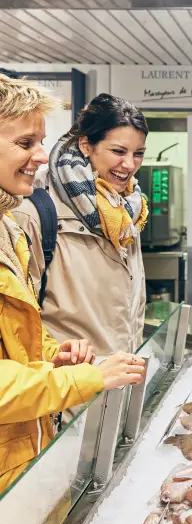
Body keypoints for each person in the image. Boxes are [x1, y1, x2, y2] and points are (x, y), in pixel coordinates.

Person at [0, 74, 146, 493]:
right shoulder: (33, 216)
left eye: (137, 153)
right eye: (25, 144)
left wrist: (53, 354)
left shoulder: (126, 215)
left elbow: (18, 332)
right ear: (88, 146)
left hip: (40, 427)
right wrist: (84, 380)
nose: (41, 156)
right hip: (63, 404)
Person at [15, 94, 149, 357]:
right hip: (68, 384)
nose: (130, 164)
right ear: (86, 145)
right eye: (119, 151)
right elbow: (19, 324)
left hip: (120, 378)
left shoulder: (126, 209)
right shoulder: (36, 209)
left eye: (139, 154)